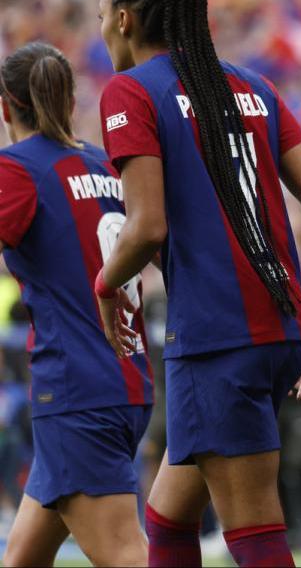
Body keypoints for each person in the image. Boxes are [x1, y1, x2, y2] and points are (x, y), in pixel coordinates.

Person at [94, 0, 301, 566]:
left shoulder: (129, 91)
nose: (100, 30)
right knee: (169, 516)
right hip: (281, 326)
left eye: (102, 17)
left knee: (253, 528)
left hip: (217, 333)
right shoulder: (253, 85)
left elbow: (147, 225)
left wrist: (104, 283)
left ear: (123, 18)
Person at [0, 42, 153, 567]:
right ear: (68, 100)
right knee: (22, 558)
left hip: (74, 391)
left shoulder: (16, 169)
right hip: (125, 382)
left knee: (125, 556)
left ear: (5, 107)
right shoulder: (104, 165)